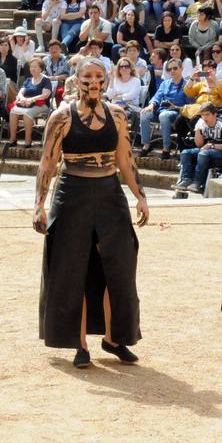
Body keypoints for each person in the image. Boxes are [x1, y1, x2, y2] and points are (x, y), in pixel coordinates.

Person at [33, 60, 150, 368]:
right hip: (72, 195)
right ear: (78, 80)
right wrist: (38, 204)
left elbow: (126, 161)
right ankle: (80, 344)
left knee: (120, 269)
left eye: (99, 76)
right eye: (88, 76)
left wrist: (140, 197)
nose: (94, 81)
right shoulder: (61, 117)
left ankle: (115, 338)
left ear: (106, 80)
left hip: (110, 195)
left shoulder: (118, 115)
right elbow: (47, 163)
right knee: (74, 271)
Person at [176, 103, 222, 193]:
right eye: (202, 115)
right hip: (207, 149)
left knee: (203, 153)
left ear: (215, 115)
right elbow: (199, 144)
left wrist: (212, 146)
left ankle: (197, 182)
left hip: (221, 151)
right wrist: (198, 129)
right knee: (185, 152)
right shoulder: (202, 123)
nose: (204, 117)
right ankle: (186, 179)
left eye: (207, 115)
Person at [8, 56, 54, 147]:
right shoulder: (28, 80)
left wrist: (31, 99)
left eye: (35, 67)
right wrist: (22, 98)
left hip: (41, 104)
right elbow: (21, 92)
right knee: (13, 111)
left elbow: (45, 95)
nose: (32, 69)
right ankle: (13, 139)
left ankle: (28, 140)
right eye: (31, 67)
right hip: (26, 103)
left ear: (41, 68)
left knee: (27, 113)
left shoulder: (45, 80)